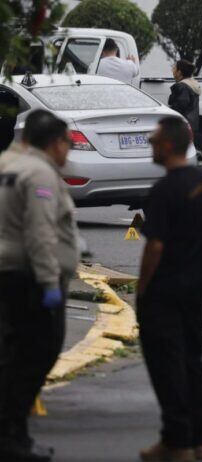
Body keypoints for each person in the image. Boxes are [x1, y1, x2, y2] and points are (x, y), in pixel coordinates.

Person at [137, 116, 202, 462]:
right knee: (192, 359)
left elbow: (154, 247)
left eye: (154, 140)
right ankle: (201, 439)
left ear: (169, 145)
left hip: (166, 291)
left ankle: (177, 440)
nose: (150, 145)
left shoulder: (164, 191)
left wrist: (142, 291)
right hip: (200, 285)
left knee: (167, 364)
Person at [0, 110, 78, 462]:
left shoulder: (7, 163)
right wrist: (49, 283)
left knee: (10, 354)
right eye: (68, 144)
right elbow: (41, 234)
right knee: (37, 355)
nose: (69, 152)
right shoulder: (41, 175)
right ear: (55, 142)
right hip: (28, 278)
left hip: (8, 275)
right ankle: (12, 435)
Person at [169, 60, 201, 133]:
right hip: (191, 126)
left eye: (174, 68)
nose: (172, 71)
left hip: (181, 127)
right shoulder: (192, 84)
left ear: (179, 72)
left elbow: (180, 107)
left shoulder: (182, 86)